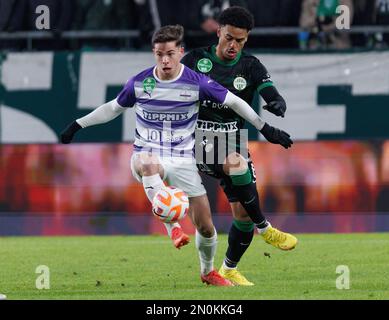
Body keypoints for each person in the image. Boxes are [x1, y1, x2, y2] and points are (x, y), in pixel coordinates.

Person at [60, 25, 292, 286]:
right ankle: (173, 228)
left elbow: (235, 102)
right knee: (148, 165)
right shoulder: (141, 82)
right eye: (159, 54)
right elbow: (112, 108)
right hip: (147, 153)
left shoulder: (197, 82)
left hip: (183, 160)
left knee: (206, 227)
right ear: (154, 53)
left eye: (170, 53)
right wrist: (77, 125)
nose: (165, 60)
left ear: (181, 52)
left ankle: (208, 272)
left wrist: (266, 129)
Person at [181, 6, 298, 286]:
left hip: (233, 140)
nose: (234, 45)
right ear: (218, 31)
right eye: (229, 38)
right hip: (198, 141)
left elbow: (268, 89)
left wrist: (277, 101)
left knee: (242, 215)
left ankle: (229, 268)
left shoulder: (251, 66)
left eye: (241, 41)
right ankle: (265, 228)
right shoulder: (195, 59)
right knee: (236, 163)